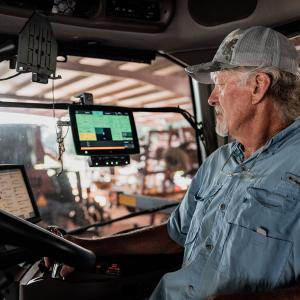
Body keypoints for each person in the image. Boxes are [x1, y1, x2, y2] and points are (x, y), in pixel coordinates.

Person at [48, 26, 300, 299]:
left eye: (221, 84)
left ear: (257, 86)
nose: (212, 97)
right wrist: (90, 246)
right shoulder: (219, 161)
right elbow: (174, 236)